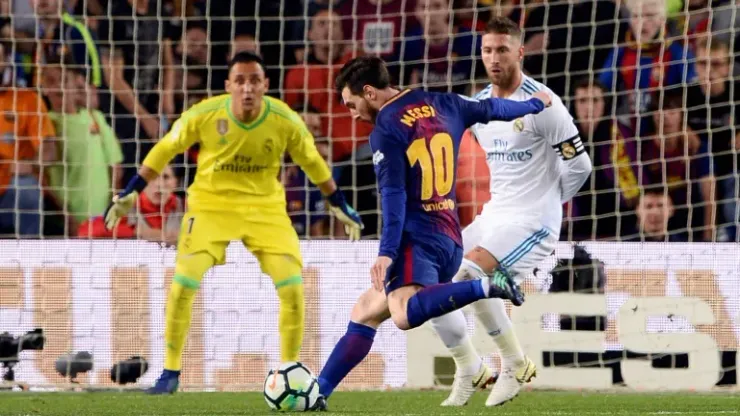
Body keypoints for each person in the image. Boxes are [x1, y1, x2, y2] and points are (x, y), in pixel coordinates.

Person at [102, 51, 364, 394]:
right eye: (240, 81)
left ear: (265, 84)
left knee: (293, 289)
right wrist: (132, 191)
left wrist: (338, 201)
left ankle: (289, 372)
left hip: (265, 209)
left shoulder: (284, 119)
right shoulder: (205, 114)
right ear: (228, 85)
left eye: (254, 80)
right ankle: (170, 372)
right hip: (210, 207)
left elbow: (313, 162)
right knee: (182, 285)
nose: (247, 88)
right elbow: (165, 148)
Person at [313, 54, 552, 411]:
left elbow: (393, 196)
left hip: (416, 240)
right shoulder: (444, 103)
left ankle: (485, 287)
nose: (352, 113)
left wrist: (387, 252)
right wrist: (534, 104)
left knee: (403, 313)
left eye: (352, 104)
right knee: (365, 310)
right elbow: (492, 109)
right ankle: (317, 392)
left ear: (370, 92)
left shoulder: (386, 129)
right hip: (450, 238)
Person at [434, 17, 592, 407]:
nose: (494, 58)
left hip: (532, 222)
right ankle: (472, 366)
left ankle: (511, 363)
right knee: (431, 278)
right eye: (488, 50)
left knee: (468, 273)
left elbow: (580, 166)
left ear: (520, 52)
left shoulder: (544, 104)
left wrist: (548, 203)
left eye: (502, 49)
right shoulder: (480, 107)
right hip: (494, 215)